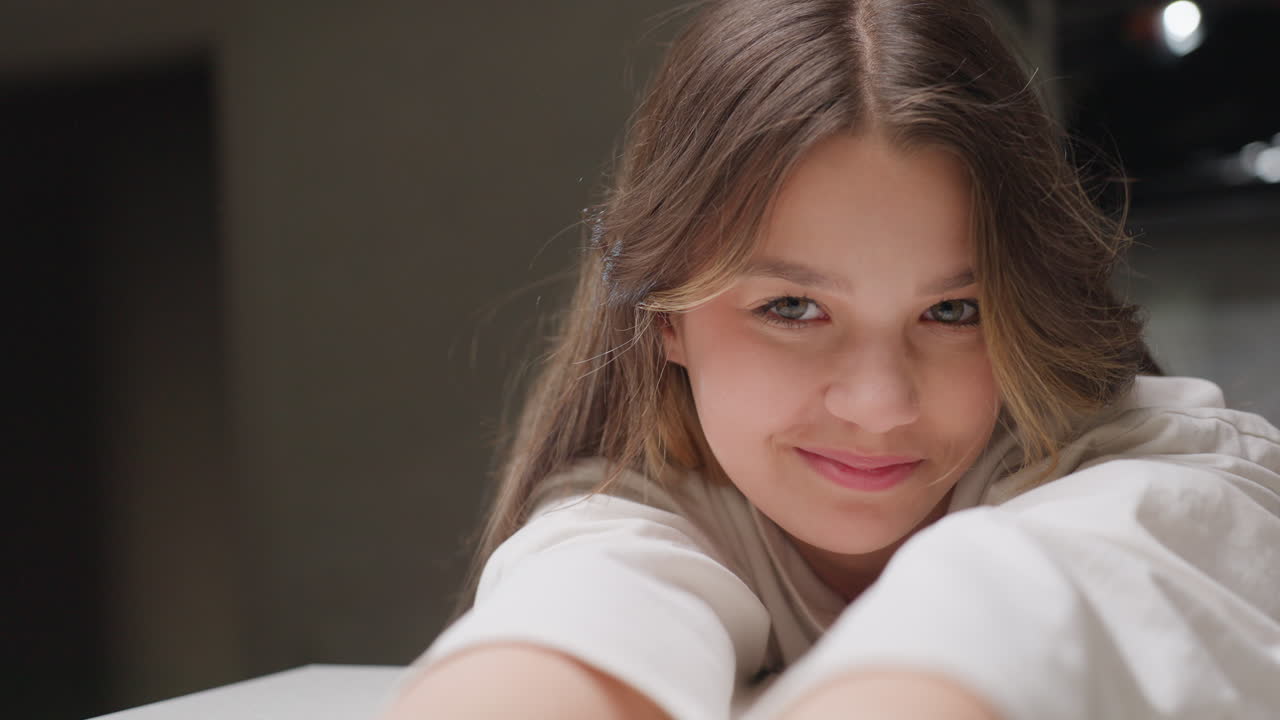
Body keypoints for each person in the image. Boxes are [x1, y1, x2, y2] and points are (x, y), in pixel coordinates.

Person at [380, 0, 1280, 718]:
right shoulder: (631, 517)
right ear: (664, 317)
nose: (879, 403)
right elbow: (582, 605)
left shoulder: (1178, 478)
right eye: (792, 308)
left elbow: (1032, 595)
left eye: (953, 310)